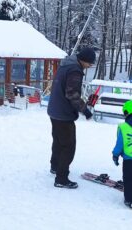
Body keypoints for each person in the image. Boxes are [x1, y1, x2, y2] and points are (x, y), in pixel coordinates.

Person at [47, 47, 96, 189]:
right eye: (89, 64)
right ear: (84, 60)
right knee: (68, 146)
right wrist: (85, 110)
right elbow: (72, 94)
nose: (89, 66)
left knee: (58, 141)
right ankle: (61, 179)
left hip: (54, 110)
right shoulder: (75, 70)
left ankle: (55, 166)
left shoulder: (66, 64)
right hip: (63, 113)